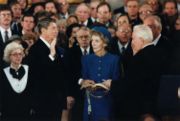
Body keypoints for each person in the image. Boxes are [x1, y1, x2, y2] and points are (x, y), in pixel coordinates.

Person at [103, 25, 164, 120]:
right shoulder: (159, 53)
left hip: (141, 110)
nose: (132, 42)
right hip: (157, 106)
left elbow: (129, 85)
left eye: (133, 39)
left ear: (142, 40)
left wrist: (111, 84)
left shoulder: (140, 58)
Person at [26, 18, 67, 121]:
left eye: (57, 28)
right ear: (43, 30)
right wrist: (52, 55)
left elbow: (61, 74)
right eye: (53, 28)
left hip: (56, 100)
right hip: (42, 101)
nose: (56, 30)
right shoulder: (34, 49)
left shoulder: (55, 47)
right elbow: (38, 75)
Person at [80, 30, 120, 121]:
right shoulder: (86, 59)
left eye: (97, 41)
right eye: (92, 40)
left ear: (105, 43)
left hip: (107, 100)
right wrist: (84, 82)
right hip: (90, 100)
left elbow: (116, 80)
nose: (93, 43)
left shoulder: (114, 59)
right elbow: (83, 77)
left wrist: (109, 84)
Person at [0, 41, 31, 121]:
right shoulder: (3, 73)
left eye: (20, 54)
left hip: (27, 114)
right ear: (9, 56)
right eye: (15, 54)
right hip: (8, 114)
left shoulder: (29, 70)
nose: (18, 57)